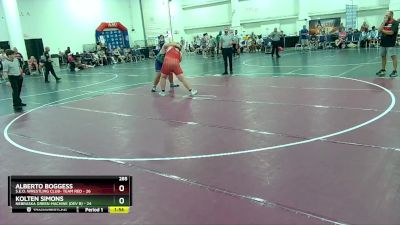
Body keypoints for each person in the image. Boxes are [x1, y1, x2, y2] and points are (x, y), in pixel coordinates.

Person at [376, 11, 399, 77]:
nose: (385, 16)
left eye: (387, 15)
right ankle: (383, 70)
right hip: (383, 42)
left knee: (393, 56)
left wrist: (382, 30)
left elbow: (391, 32)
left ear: (391, 15)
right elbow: (378, 30)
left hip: (390, 43)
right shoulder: (385, 22)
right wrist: (384, 21)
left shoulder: (395, 22)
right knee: (383, 56)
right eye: (385, 14)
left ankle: (394, 71)